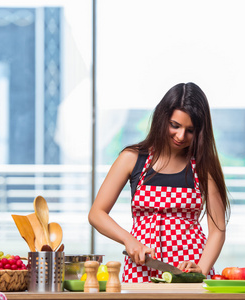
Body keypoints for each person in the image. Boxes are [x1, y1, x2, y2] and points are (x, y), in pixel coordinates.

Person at [88, 82, 230, 283]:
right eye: (175, 125)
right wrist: (129, 240)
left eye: (190, 130)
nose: (181, 136)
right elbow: (96, 213)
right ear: (162, 118)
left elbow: (217, 230)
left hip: (188, 269)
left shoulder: (204, 167)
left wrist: (201, 269)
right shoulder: (132, 158)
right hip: (141, 267)